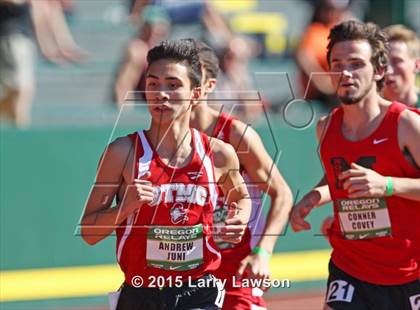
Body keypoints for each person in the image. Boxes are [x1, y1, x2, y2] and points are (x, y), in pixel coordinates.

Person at [81, 39, 252, 309]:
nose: (161, 93)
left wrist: (240, 218)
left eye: (172, 85)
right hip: (141, 293)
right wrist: (125, 208)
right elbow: (89, 233)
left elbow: (242, 197)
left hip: (199, 291)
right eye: (153, 84)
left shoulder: (219, 154)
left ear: (196, 94)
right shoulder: (123, 153)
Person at [290, 20, 420, 310]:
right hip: (351, 270)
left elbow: (378, 182)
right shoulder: (326, 128)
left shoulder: (407, 124)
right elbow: (340, 177)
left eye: (356, 63)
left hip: (410, 273)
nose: (345, 73)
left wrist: (387, 185)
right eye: (336, 63)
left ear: (379, 71)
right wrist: (314, 197)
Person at [190, 40, 293, 310]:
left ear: (210, 84)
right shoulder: (159, 140)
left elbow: (282, 193)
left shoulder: (236, 135)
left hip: (234, 271)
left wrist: (263, 253)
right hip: (182, 270)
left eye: (193, 75)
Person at [383, 24, 419, 109]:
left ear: (417, 65)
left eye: (397, 61)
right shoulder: (367, 113)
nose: (388, 70)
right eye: (383, 62)